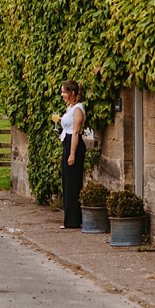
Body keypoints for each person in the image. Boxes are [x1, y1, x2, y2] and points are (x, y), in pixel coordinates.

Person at [56, 80, 86, 230]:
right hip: (67, 142)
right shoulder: (71, 108)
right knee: (67, 181)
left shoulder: (78, 109)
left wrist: (72, 153)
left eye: (64, 92)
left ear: (72, 93)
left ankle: (73, 220)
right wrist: (60, 120)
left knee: (72, 182)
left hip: (73, 144)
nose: (62, 95)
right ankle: (70, 218)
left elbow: (75, 131)